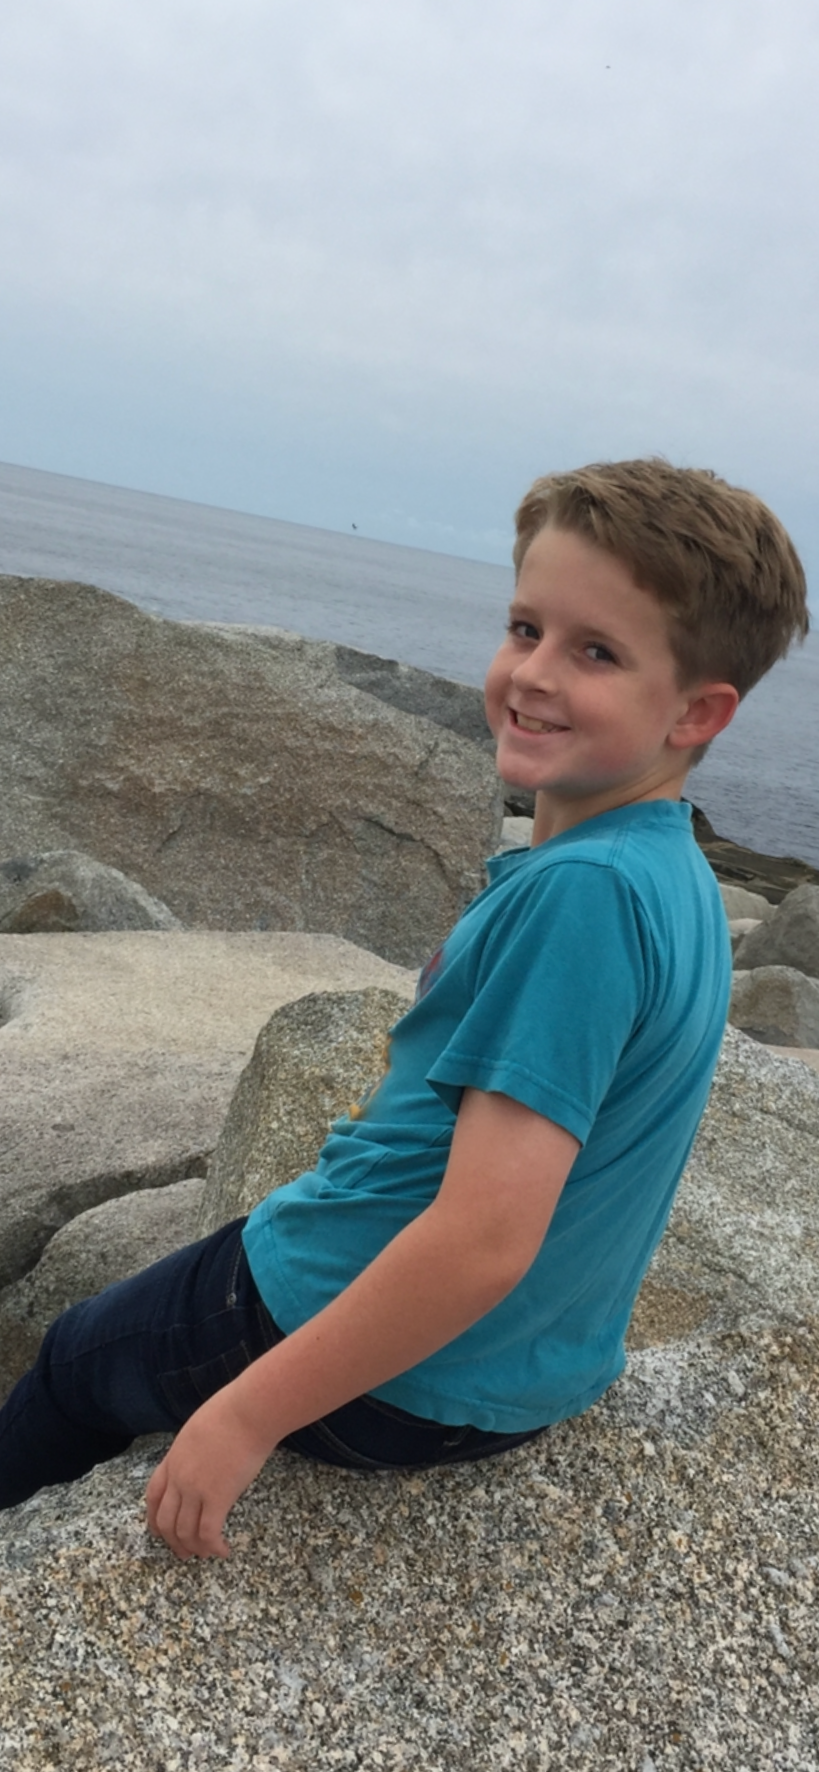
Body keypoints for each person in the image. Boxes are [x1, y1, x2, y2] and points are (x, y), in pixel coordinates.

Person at [0, 459, 808, 1561]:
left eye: (596, 652)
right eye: (525, 627)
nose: (532, 673)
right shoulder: (668, 875)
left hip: (392, 1370)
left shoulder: (584, 896)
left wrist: (246, 1414)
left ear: (697, 710)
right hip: (527, 1373)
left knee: (75, 1358)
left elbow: (483, 1239)